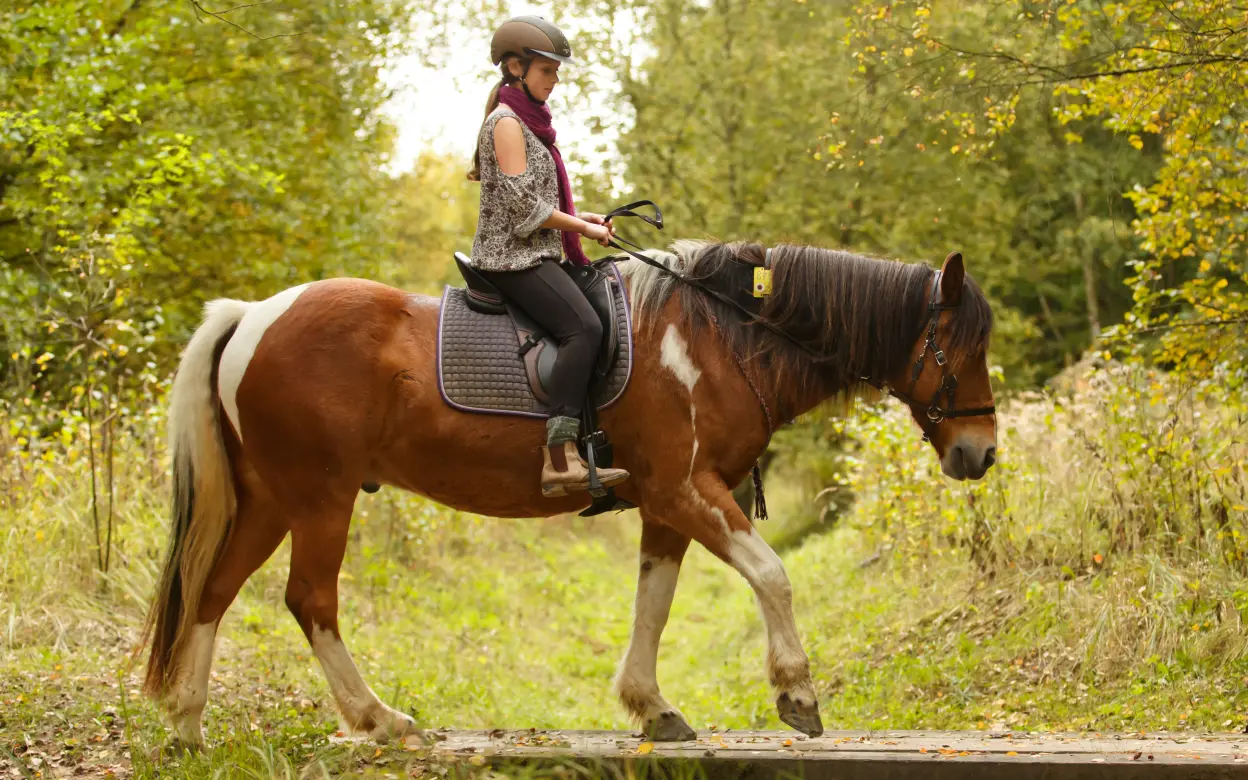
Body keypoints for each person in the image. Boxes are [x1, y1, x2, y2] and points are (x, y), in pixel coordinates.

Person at [467, 15, 630, 498]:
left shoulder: (533, 126)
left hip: (537, 253)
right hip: (510, 258)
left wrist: (587, 217)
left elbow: (543, 203)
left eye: (556, 73)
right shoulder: (507, 124)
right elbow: (525, 208)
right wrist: (580, 226)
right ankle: (558, 457)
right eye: (547, 71)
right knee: (585, 328)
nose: (554, 82)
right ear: (515, 68)